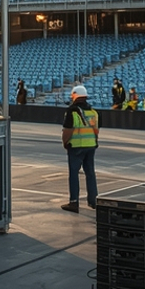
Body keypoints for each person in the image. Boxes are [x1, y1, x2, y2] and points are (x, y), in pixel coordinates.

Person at [61, 85, 99, 213]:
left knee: (74, 174)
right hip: (91, 145)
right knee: (90, 173)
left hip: (76, 147)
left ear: (75, 96)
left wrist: (65, 142)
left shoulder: (72, 111)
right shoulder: (93, 112)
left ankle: (74, 202)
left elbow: (68, 130)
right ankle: (93, 201)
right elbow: (96, 131)